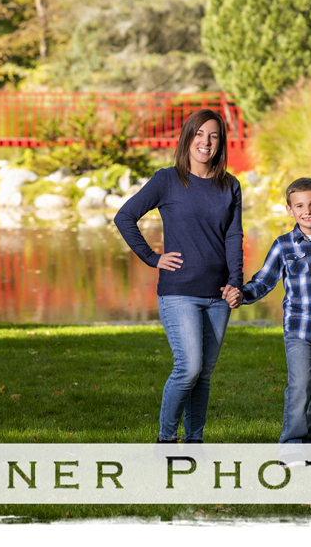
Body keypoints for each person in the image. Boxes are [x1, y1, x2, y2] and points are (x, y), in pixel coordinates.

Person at [114, 109, 243, 444]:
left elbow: (233, 236)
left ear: (221, 143)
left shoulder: (230, 186)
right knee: (188, 368)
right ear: (187, 137)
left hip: (218, 295)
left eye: (213, 136)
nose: (206, 142)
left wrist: (236, 281)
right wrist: (152, 258)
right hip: (179, 292)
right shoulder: (167, 180)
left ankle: (195, 440)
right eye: (199, 134)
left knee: (203, 375)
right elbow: (125, 217)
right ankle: (166, 439)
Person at [227, 178, 311, 444]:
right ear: (290, 210)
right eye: (299, 205)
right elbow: (264, 281)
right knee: (300, 388)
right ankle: (292, 445)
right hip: (299, 330)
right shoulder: (284, 245)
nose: (308, 211)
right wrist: (241, 294)